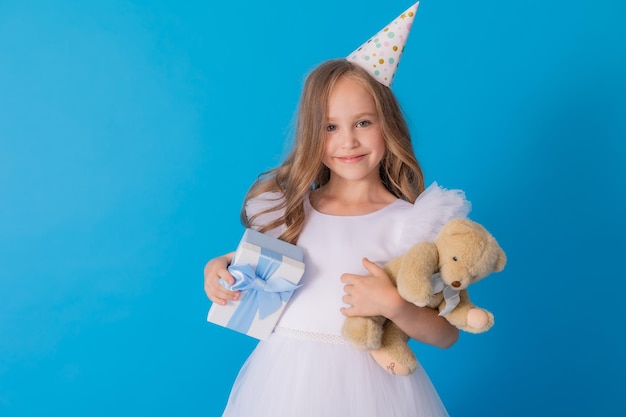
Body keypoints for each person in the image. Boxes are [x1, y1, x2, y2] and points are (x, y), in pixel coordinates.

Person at [205, 4, 470, 416]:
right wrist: (220, 266)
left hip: (376, 391)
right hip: (285, 384)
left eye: (363, 122)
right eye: (331, 127)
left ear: (388, 126)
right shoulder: (290, 210)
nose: (348, 141)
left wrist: (395, 305)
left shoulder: (410, 223)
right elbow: (264, 269)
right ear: (313, 134)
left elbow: (446, 334)